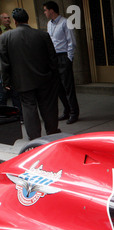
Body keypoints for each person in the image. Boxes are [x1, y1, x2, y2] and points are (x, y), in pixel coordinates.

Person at [0, 8, 60, 140]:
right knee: (48, 107)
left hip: (23, 81)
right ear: (27, 19)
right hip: (44, 78)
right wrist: (54, 75)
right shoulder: (42, 35)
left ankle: (35, 138)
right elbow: (53, 59)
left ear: (15, 21)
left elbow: (5, 63)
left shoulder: (5, 38)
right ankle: (53, 133)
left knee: (28, 109)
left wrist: (6, 81)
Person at [43, 1, 80, 124]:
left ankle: (74, 112)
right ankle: (67, 111)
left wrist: (69, 58)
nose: (44, 12)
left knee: (68, 86)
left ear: (51, 10)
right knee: (58, 87)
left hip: (64, 56)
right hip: (53, 57)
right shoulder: (49, 24)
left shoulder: (65, 22)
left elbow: (71, 41)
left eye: (45, 10)